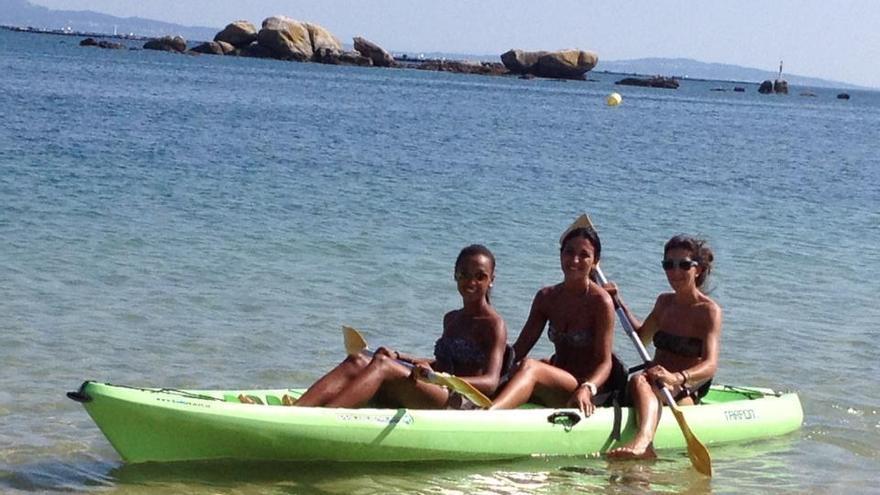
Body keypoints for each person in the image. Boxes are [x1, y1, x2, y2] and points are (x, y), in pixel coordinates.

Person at [268, 244, 507, 409]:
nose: (471, 282)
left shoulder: (493, 324)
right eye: (464, 274)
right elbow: (442, 363)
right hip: (437, 388)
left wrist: (439, 379)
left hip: (462, 403)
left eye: (480, 276)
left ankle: (324, 417)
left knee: (382, 366)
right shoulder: (452, 319)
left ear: (491, 280)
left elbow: (491, 382)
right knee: (359, 359)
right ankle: (299, 410)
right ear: (455, 276)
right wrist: (400, 356)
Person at [489, 217, 621, 416]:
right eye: (569, 252)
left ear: (595, 262)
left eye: (584, 255)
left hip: (584, 387)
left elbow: (605, 363)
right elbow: (520, 348)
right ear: (561, 255)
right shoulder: (546, 297)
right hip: (558, 377)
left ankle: (487, 415)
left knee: (531, 367)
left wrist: (588, 388)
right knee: (520, 366)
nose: (574, 260)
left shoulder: (600, 302)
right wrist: (489, 370)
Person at [606, 235, 722, 459]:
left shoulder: (709, 311)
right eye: (668, 265)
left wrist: (676, 378)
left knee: (640, 379)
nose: (675, 271)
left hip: (681, 392)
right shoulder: (664, 303)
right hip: (651, 384)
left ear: (698, 270)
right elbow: (642, 336)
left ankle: (644, 442)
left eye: (684, 265)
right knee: (633, 376)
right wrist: (617, 302)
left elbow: (710, 365)